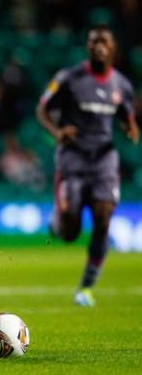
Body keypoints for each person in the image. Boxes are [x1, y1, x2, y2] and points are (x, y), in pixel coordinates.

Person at [36, 25, 139, 307]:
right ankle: (57, 224)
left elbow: (126, 112)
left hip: (104, 160)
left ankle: (87, 286)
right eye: (94, 42)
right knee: (70, 232)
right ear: (88, 47)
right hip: (73, 159)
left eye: (104, 42)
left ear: (113, 48)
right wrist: (57, 133)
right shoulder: (69, 79)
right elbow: (42, 109)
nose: (98, 47)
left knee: (104, 215)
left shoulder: (121, 85)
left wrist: (129, 125)